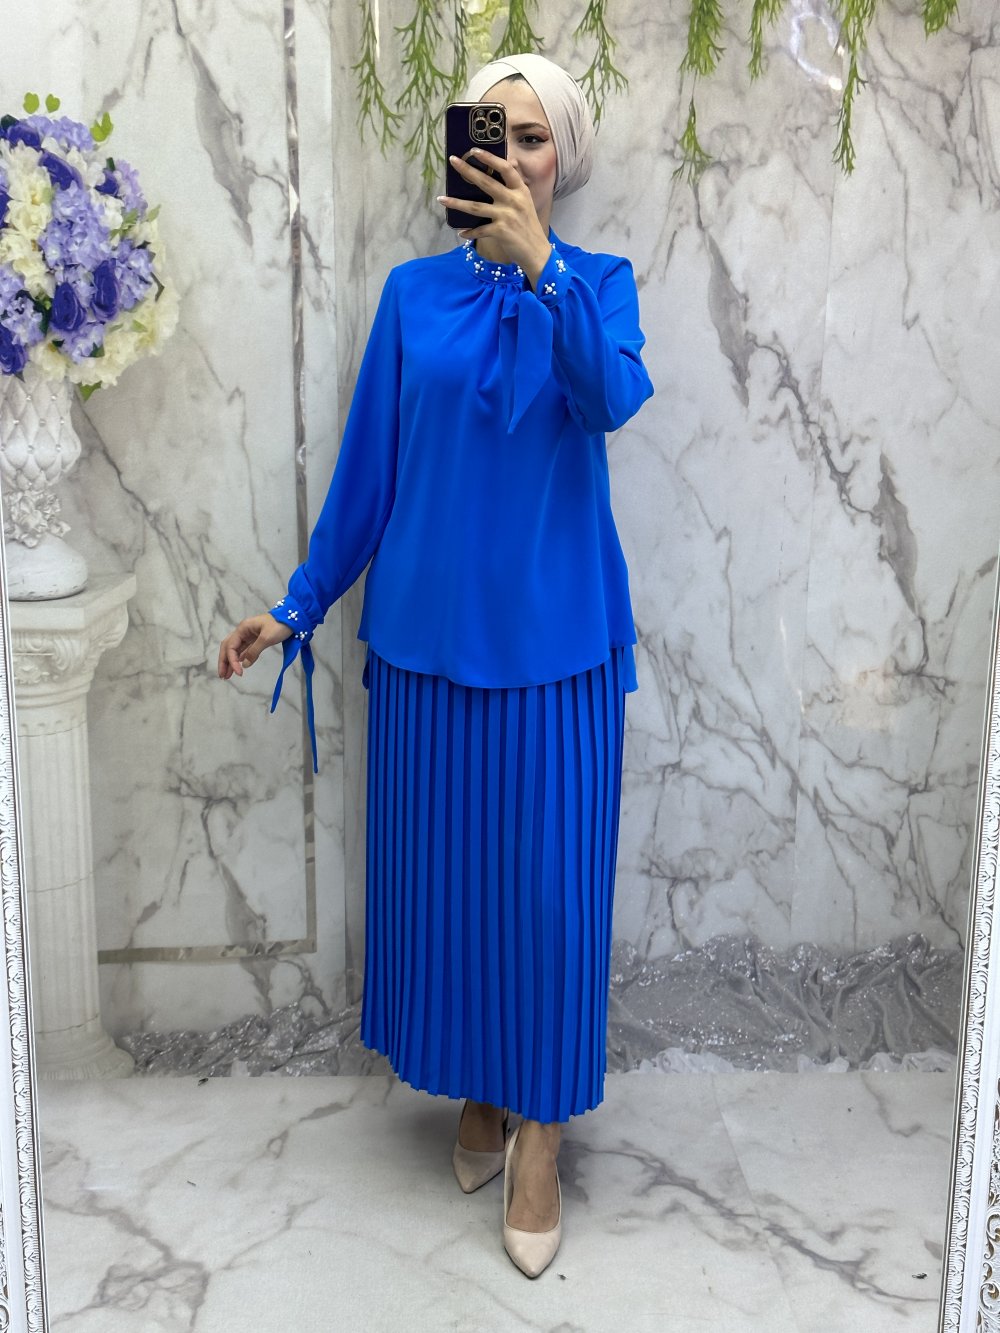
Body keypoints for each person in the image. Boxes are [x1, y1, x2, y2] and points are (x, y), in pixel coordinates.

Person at [217, 51, 653, 1279]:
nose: (511, 154)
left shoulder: (599, 286)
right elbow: (370, 472)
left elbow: (610, 400)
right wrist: (294, 608)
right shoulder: (411, 297)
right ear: (460, 151)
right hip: (422, 648)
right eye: (490, 133)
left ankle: (540, 1130)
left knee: (550, 900)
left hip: (558, 648)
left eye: (533, 136)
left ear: (562, 159)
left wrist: (543, 268)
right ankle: (480, 1083)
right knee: (451, 891)